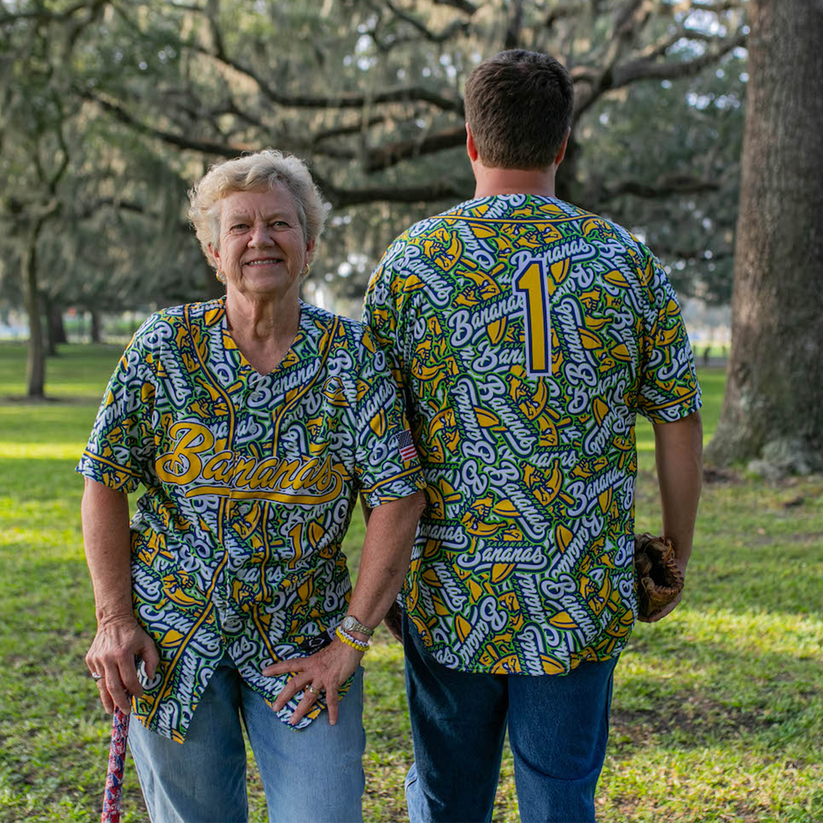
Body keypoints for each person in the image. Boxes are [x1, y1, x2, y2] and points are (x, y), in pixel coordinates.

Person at [363, 50, 703, 823]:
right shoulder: (626, 261)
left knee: (448, 801)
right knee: (559, 798)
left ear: (470, 141)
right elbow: (677, 420)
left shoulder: (410, 264)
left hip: (451, 589)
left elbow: (375, 437)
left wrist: (381, 571)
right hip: (577, 589)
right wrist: (672, 554)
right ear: (561, 143)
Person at [78, 149, 426, 823]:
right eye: (239, 226)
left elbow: (398, 495)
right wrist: (113, 620)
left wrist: (349, 643)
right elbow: (104, 478)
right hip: (171, 640)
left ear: (309, 246)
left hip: (305, 645)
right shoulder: (163, 348)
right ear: (214, 252)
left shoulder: (355, 360)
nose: (260, 239)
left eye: (279, 223)